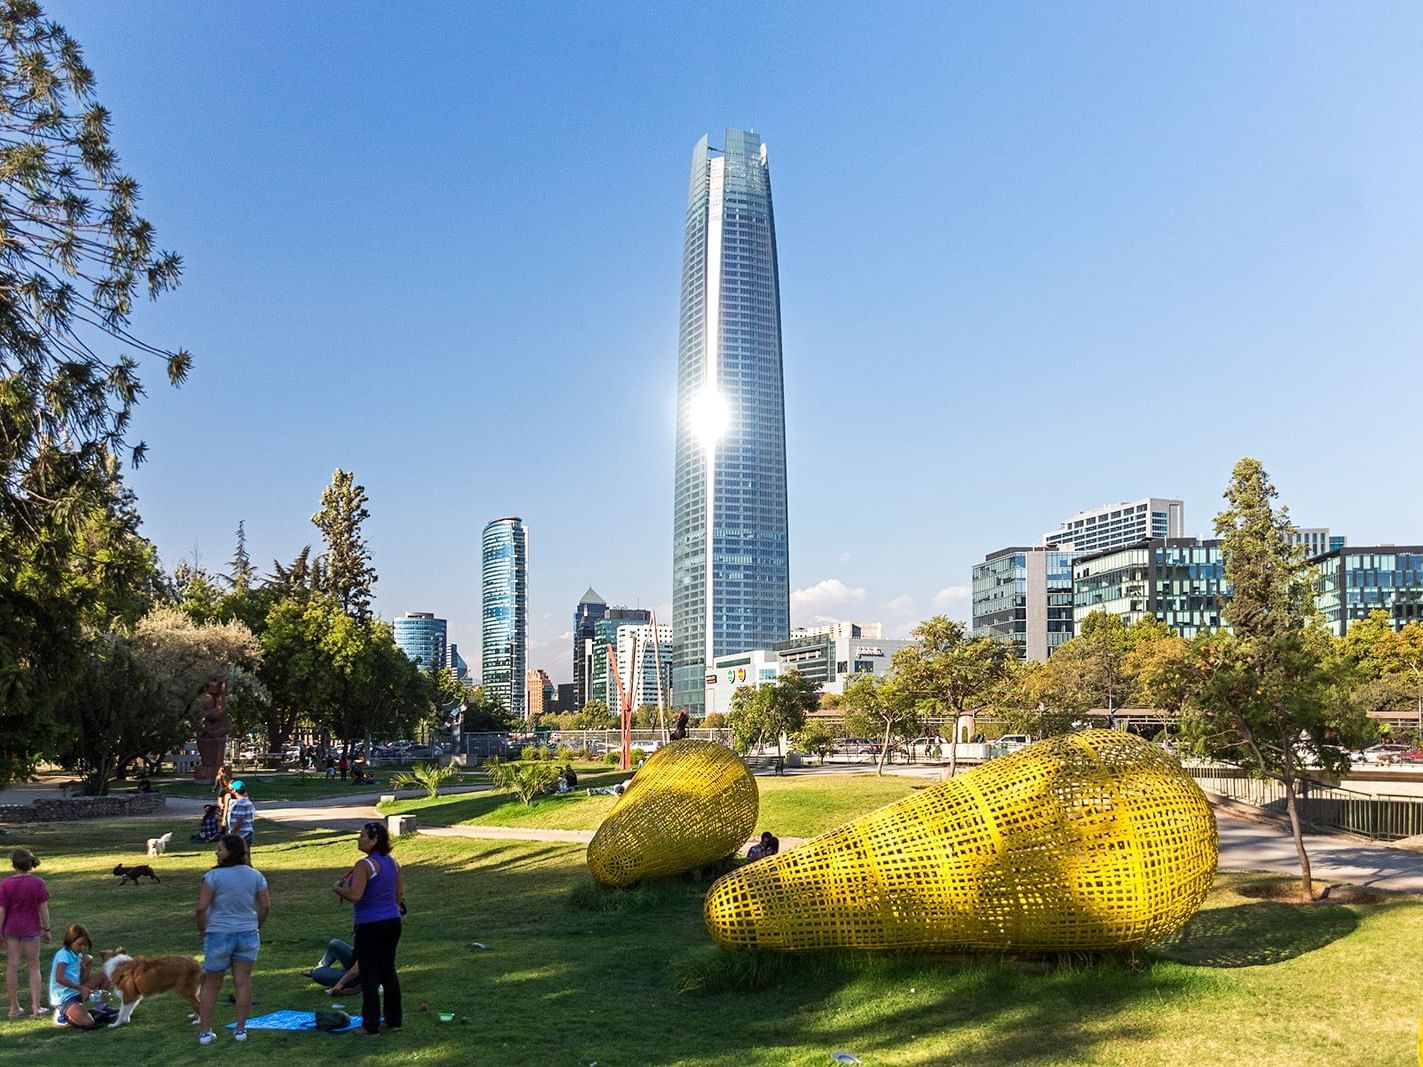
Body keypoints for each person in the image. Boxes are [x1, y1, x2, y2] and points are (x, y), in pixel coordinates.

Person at [195, 834, 270, 1046]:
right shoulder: (256, 875)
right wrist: (257, 926)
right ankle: (240, 1029)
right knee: (243, 982)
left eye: (220, 849)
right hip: (247, 933)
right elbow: (265, 906)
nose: (216, 852)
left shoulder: (212, 877)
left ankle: (205, 1032)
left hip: (218, 933)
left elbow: (201, 908)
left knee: (211, 985)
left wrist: (202, 929)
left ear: (230, 851)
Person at [332, 820, 404, 1035]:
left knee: (369, 975)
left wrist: (337, 889)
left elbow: (356, 895)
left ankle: (370, 1025)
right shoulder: (393, 863)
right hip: (392, 921)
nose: (359, 838)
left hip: (369, 924)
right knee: (388, 971)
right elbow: (399, 895)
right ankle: (394, 1021)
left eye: (363, 835)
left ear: (374, 840)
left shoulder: (364, 865)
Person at [2, 847, 51, 1018]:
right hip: (31, 927)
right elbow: (43, 908)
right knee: (33, 966)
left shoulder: (6, 884)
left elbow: (1, 910)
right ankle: (36, 1007)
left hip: (11, 928)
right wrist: (47, 929)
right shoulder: (38, 883)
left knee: (12, 965)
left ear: (14, 865)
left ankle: (14, 1007)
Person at [48, 923, 113, 1028]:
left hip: (76, 990)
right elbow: (59, 978)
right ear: (70, 941)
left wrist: (87, 965)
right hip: (65, 997)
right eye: (79, 944)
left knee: (105, 975)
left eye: (84, 945)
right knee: (88, 1023)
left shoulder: (78, 955)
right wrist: (80, 988)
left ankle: (101, 1008)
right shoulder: (63, 955)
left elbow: (83, 979)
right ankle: (63, 1014)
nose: (82, 947)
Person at [226, 781, 256, 846]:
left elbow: (239, 821)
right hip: (247, 832)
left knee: (240, 854)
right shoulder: (247, 802)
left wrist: (232, 833)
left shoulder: (241, 803)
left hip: (241, 835)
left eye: (231, 790)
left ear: (235, 790)